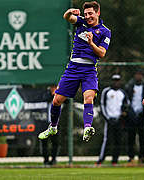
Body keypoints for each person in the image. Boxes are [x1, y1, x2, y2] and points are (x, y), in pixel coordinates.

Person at [38, 1, 111, 142]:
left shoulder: (105, 31)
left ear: (98, 13)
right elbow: (67, 17)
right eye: (86, 13)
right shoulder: (81, 23)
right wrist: (69, 11)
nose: (88, 16)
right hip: (73, 68)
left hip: (89, 69)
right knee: (57, 100)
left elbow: (101, 53)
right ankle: (53, 127)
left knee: (88, 97)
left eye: (91, 13)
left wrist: (91, 43)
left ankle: (87, 127)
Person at [96, 74, 129, 165]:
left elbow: (127, 104)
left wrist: (123, 114)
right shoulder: (106, 91)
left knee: (118, 140)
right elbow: (102, 105)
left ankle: (115, 160)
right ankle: (101, 159)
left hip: (119, 120)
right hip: (109, 119)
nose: (116, 82)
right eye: (114, 80)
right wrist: (107, 118)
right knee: (107, 140)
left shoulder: (122, 93)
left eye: (118, 80)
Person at [125, 69, 144, 163]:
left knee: (142, 137)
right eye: (137, 74)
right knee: (131, 137)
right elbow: (126, 100)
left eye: (140, 75)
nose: (138, 76)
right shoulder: (129, 87)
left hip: (141, 115)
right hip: (131, 115)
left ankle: (142, 157)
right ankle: (131, 157)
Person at [40, 85, 59, 166]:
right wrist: (52, 94)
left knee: (55, 142)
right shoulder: (46, 93)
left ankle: (53, 159)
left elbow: (66, 100)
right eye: (52, 87)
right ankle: (46, 160)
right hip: (46, 122)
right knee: (44, 142)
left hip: (56, 123)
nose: (53, 89)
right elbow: (45, 98)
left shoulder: (60, 94)